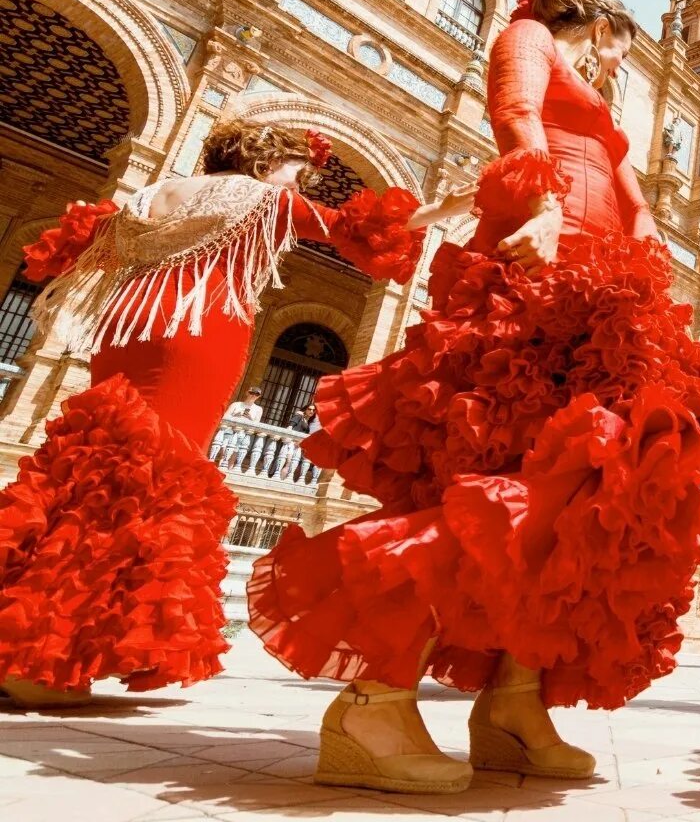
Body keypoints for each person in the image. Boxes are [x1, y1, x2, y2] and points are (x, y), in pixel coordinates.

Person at [245, 0, 700, 796]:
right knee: (494, 474)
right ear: (597, 24)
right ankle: (375, 701)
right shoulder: (529, 38)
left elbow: (626, 184)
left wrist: (650, 256)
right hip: (541, 255)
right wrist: (543, 205)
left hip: (606, 280)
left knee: (580, 480)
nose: (612, 64)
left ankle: (513, 704)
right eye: (612, 48)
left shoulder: (596, 95)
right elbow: (517, 118)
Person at [0, 119, 433, 708]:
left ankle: (27, 634)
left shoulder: (160, 193)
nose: (299, 185)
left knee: (90, 467)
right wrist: (445, 209)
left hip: (129, 326)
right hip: (200, 330)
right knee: (152, 481)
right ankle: (44, 659)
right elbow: (354, 228)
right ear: (267, 163)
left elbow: (85, 244)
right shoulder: (261, 197)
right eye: (298, 173)